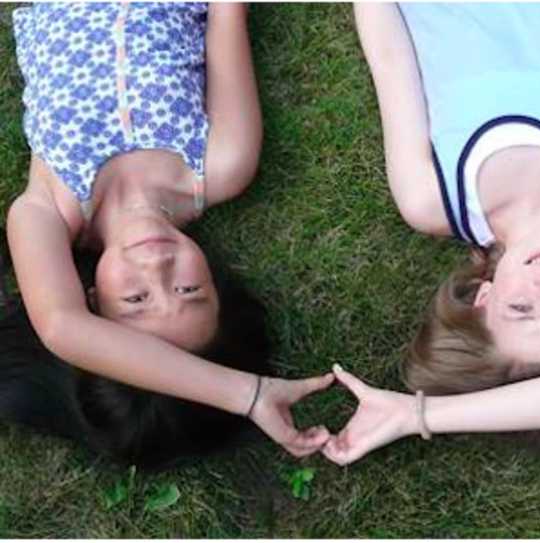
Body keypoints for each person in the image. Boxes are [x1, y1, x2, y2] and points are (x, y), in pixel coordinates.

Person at [3, 2, 333, 466]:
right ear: (215, 281)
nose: (157, 267)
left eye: (136, 300)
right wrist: (246, 391)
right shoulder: (221, 166)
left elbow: (61, 327)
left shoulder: (49, 211)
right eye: (188, 289)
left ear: (93, 302)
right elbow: (225, 11)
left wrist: (246, 394)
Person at [322, 3, 540, 465]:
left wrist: (415, 414)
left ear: (482, 298)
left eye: (522, 309)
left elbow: (392, 60)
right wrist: (421, 416)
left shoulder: (433, 199)